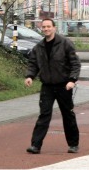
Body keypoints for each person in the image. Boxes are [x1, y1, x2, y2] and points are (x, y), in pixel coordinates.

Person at [24, 18, 81, 154]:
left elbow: (75, 63)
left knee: (68, 115)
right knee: (44, 115)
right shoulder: (39, 47)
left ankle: (73, 144)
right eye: (44, 27)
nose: (46, 29)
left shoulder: (65, 43)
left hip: (64, 85)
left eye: (49, 26)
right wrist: (30, 76)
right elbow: (33, 63)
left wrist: (72, 80)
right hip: (47, 86)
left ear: (54, 28)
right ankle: (35, 145)